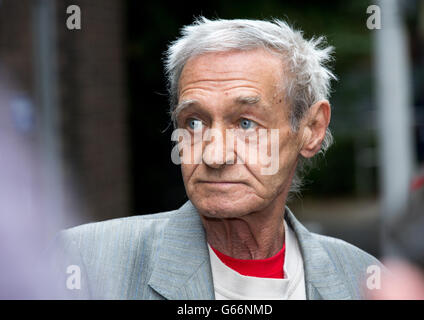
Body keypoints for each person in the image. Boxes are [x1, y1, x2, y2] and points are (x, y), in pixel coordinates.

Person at [53, 17, 383, 300]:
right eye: (194, 123)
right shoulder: (83, 263)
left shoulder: (363, 279)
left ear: (311, 129)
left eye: (245, 123)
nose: (215, 154)